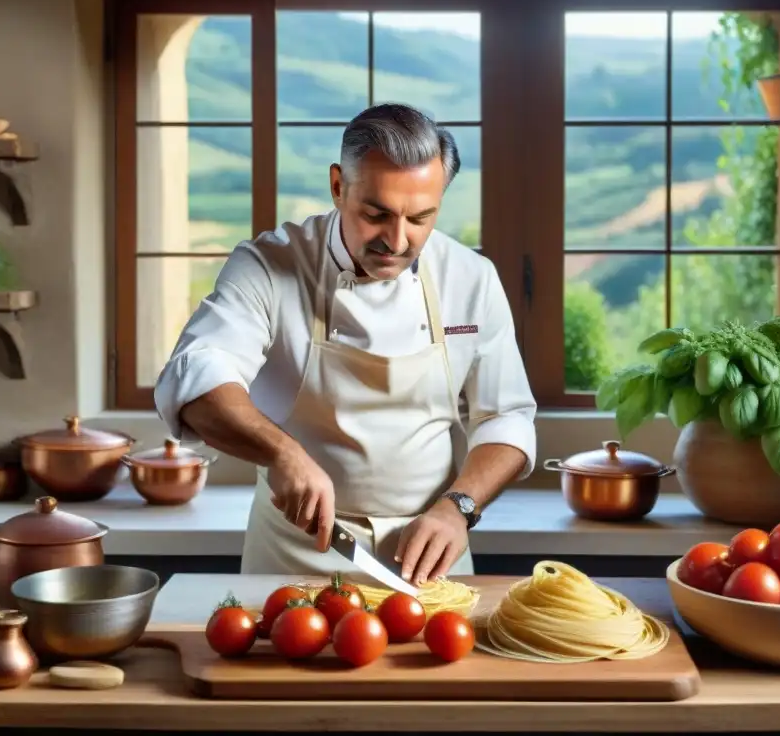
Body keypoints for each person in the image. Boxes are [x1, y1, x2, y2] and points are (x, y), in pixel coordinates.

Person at [154, 103, 537, 586]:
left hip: (430, 553)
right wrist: (282, 453)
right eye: (376, 214)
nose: (397, 240)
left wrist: (459, 507)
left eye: (421, 217)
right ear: (338, 186)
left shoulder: (471, 279)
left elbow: (506, 417)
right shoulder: (269, 265)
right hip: (297, 554)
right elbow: (198, 374)